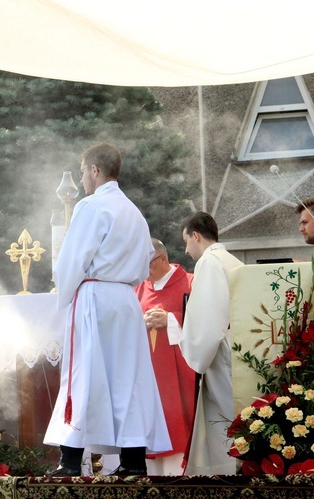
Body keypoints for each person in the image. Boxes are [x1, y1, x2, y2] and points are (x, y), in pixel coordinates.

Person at [43, 142, 171, 477]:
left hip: (95, 297)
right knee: (127, 378)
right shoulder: (134, 211)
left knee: (84, 375)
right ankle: (133, 462)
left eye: (83, 170)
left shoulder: (91, 206)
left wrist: (64, 296)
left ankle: (69, 461)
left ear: (95, 170)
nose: (83, 178)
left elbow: (72, 260)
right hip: (126, 301)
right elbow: (145, 264)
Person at [179, 211, 243, 475]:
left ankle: (224, 478)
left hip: (220, 353)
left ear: (196, 236)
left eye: (186, 242)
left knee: (222, 423)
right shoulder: (231, 259)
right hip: (237, 346)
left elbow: (207, 319)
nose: (185, 250)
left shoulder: (209, 262)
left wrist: (193, 354)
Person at [136, 238, 195, 475]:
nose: (143, 271)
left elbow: (208, 321)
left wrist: (171, 319)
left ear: (162, 259)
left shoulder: (191, 282)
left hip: (180, 377)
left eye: (147, 264)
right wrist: (141, 323)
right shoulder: (137, 289)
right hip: (147, 377)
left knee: (178, 431)